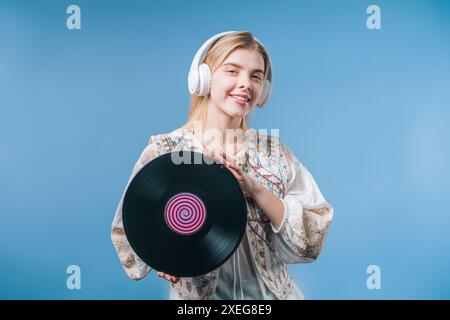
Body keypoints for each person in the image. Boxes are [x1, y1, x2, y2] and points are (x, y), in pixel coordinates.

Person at [111, 31, 334, 300]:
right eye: (232, 71)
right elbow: (131, 229)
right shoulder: (164, 151)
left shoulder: (275, 153)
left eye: (256, 76)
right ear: (204, 79)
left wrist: (257, 191)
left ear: (264, 89)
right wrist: (161, 256)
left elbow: (312, 236)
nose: (246, 84)